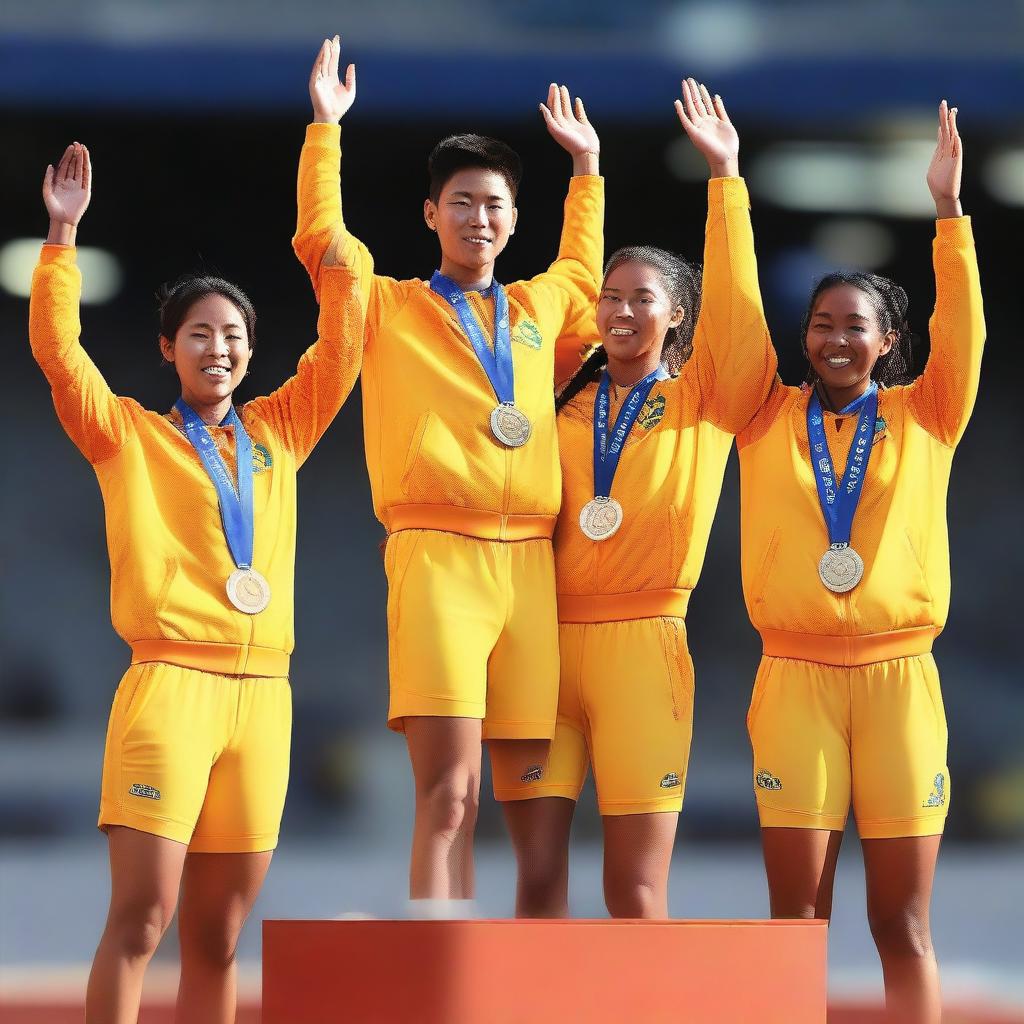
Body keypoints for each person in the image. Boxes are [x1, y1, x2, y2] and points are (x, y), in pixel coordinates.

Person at [29, 141, 363, 1024]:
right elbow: (61, 355)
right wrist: (62, 238)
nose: (220, 348)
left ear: (252, 352)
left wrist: (324, 152)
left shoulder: (280, 434)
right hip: (170, 685)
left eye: (235, 336)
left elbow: (344, 342)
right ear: (171, 349)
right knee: (143, 919)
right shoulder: (126, 436)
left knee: (219, 937)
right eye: (201, 334)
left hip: (264, 699)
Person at [292, 36, 604, 912]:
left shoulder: (539, 308)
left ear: (513, 218)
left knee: (536, 806)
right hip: (439, 558)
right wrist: (326, 130)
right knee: (450, 793)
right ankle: (438, 967)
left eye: (495, 204)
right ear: (432, 214)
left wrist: (585, 169)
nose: (479, 218)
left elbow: (583, 271)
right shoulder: (387, 307)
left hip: (531, 568)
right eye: (461, 202)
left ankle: (519, 984)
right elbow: (325, 242)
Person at [490, 80, 777, 918]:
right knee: (537, 879)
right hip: (542, 645)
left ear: (678, 316)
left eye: (641, 299)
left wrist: (725, 181)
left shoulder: (708, 398)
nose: (619, 311)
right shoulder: (554, 396)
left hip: (647, 649)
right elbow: (564, 282)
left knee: (637, 887)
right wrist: (587, 169)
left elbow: (741, 319)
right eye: (611, 299)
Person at [738, 102, 982, 1023]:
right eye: (822, 324)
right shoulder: (762, 419)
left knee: (901, 922)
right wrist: (729, 182)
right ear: (803, 338)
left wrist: (949, 214)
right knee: (793, 919)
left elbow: (965, 331)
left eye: (856, 325)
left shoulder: (928, 416)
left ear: (889, 341)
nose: (836, 338)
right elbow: (727, 325)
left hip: (899, 682)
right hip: (794, 678)